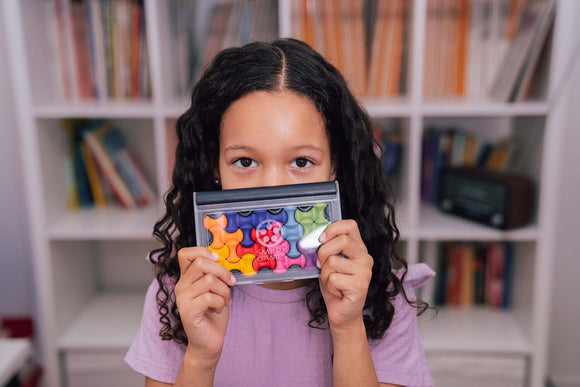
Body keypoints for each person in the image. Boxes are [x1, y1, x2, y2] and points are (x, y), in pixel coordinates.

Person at [125, 38, 435, 387]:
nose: (270, 191)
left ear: (335, 165)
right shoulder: (180, 290)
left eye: (301, 161)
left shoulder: (380, 294)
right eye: (245, 161)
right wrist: (200, 357)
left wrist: (348, 330)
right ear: (215, 164)